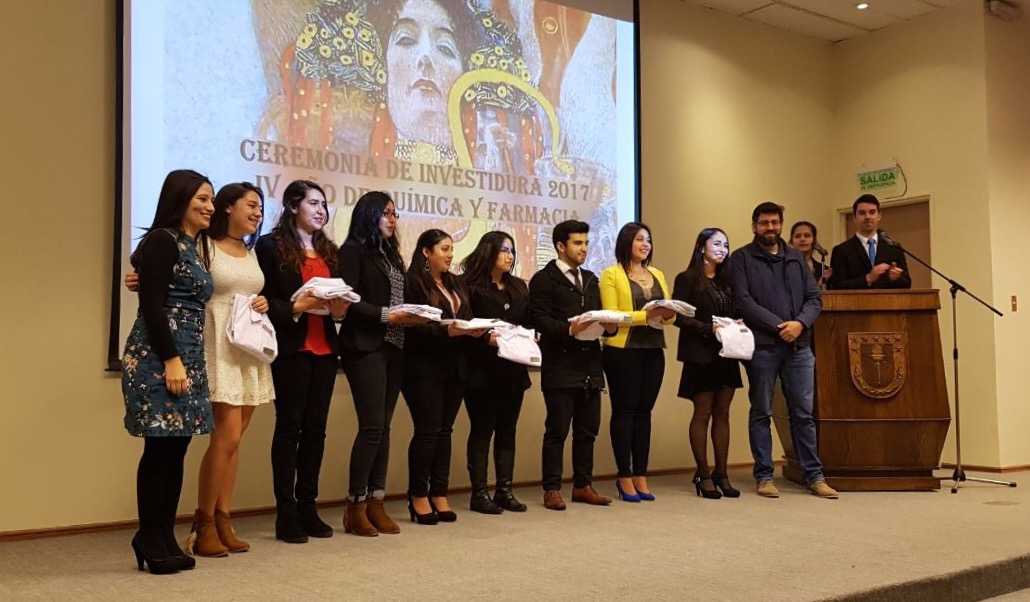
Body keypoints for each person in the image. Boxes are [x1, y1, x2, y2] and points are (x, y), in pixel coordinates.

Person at [129, 183, 276, 556]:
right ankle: (203, 522)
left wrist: (263, 302)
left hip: (246, 347)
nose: (258, 213)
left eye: (261, 207)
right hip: (211, 344)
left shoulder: (250, 249)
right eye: (251, 205)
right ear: (229, 207)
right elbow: (160, 274)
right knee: (222, 438)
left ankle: (223, 517)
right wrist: (139, 279)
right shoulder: (199, 244)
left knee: (234, 441)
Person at [122, 169, 215, 574]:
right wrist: (171, 360)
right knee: (159, 449)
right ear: (180, 199)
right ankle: (148, 536)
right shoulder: (162, 240)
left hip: (188, 355)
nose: (210, 207)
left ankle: (164, 536)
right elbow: (152, 307)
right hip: (159, 356)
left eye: (212, 200)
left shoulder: (192, 246)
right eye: (202, 199)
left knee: (176, 449)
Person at [255, 180, 349, 543]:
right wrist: (297, 306)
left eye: (324, 204)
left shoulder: (330, 251)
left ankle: (309, 505)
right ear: (293, 206)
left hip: (325, 349)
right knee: (289, 429)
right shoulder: (271, 246)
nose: (321, 210)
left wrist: (339, 308)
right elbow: (263, 299)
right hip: (292, 348)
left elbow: (337, 305)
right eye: (313, 203)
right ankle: (286, 512)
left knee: (316, 431)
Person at [729, 202, 838, 500]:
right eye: (764, 223)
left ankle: (814, 476)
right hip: (763, 348)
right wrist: (780, 327)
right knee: (761, 412)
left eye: (775, 222)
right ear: (754, 226)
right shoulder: (741, 258)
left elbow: (814, 299)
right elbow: (743, 302)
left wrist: (799, 324)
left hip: (799, 347)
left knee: (803, 414)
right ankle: (764, 476)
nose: (770, 228)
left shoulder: (795, 258)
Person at [338, 191, 426, 537]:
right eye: (386, 213)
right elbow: (347, 301)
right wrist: (388, 315)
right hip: (365, 346)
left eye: (395, 214)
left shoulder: (390, 254)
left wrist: (416, 315)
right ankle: (355, 505)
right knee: (372, 427)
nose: (393, 219)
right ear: (369, 214)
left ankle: (377, 501)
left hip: (395, 346)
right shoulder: (352, 251)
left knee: (384, 427)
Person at [402, 229, 489, 524]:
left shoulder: (456, 282)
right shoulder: (413, 282)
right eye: (444, 249)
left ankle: (439, 492)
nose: (450, 255)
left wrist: (477, 331)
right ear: (426, 252)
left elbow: (467, 318)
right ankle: (418, 495)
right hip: (423, 367)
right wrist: (446, 331)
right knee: (427, 431)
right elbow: (412, 325)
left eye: (452, 249)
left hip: (456, 366)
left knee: (445, 431)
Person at [529, 220, 616, 511]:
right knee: (557, 431)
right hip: (560, 364)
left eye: (586, 243)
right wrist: (569, 329)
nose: (584, 248)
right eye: (578, 243)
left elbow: (601, 316)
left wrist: (610, 326)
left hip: (590, 364)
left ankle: (583, 485)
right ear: (560, 246)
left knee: (587, 431)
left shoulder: (591, 279)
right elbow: (538, 319)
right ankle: (552, 488)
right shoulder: (544, 279)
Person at [598, 223, 675, 502]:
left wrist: (669, 314)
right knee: (625, 411)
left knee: (644, 413)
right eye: (640, 239)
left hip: (653, 349)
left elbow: (669, 314)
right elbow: (612, 316)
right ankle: (624, 475)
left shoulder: (657, 274)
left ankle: (641, 473)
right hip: (622, 351)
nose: (645, 244)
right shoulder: (611, 274)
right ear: (626, 242)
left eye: (648, 240)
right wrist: (646, 316)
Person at [460, 231, 532, 514]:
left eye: (512, 250)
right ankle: (479, 493)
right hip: (482, 370)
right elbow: (463, 325)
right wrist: (484, 338)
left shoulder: (518, 286)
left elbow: (527, 321)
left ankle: (504, 490)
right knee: (482, 431)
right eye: (503, 250)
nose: (509, 255)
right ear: (488, 251)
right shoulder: (469, 286)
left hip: (513, 369)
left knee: (507, 430)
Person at [673, 228, 743, 500]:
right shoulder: (687, 279)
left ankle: (721, 473)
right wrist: (707, 329)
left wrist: (736, 323)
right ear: (702, 246)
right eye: (717, 244)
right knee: (702, 412)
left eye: (726, 245)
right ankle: (703, 474)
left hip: (726, 353)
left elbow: (735, 310)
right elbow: (678, 318)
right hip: (700, 354)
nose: (722, 249)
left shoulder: (728, 280)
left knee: (723, 413)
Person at [828, 194, 911, 290]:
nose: (867, 217)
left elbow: (907, 283)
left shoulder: (894, 247)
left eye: (872, 212)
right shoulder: (841, 251)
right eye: (862, 213)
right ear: (854, 217)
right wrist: (868, 278)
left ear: (879, 216)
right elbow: (836, 287)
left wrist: (895, 279)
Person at [789, 221, 830, 289]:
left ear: (814, 240)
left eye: (807, 235)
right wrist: (817, 286)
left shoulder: (823, 270)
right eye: (797, 236)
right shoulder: (782, 267)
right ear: (791, 241)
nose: (802, 239)